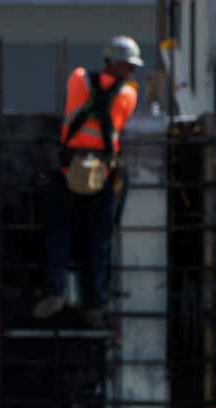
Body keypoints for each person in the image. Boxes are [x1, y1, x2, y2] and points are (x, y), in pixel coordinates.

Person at [37, 37, 142, 319]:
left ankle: (55, 292)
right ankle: (94, 301)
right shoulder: (129, 95)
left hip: (68, 170)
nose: (131, 72)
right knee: (99, 240)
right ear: (116, 64)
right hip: (101, 175)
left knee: (59, 233)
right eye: (128, 66)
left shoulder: (78, 78)